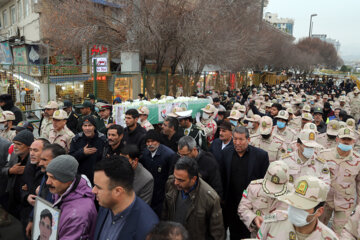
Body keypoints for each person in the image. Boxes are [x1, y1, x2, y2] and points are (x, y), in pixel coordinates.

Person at [93, 155, 159, 240]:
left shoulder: (147, 228)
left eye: (98, 187)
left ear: (118, 191)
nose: (93, 191)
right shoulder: (105, 204)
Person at [221, 126, 269, 239]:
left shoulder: (261, 156)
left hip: (251, 206)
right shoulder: (226, 153)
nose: (237, 143)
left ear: (248, 139)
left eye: (241, 139)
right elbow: (222, 176)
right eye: (235, 139)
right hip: (231, 204)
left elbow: (264, 182)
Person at [162, 157, 225, 240]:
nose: (176, 182)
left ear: (193, 179)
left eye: (181, 180)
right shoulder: (170, 184)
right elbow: (165, 214)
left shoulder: (210, 198)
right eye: (175, 177)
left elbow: (217, 234)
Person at [257, 175, 338, 240]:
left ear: (319, 211)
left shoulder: (329, 237)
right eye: (293, 203)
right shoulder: (272, 218)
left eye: (303, 207)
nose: (295, 209)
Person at [318, 127, 360, 234]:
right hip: (325, 200)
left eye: (349, 139)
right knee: (319, 230)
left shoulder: (357, 160)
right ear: (337, 139)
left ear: (353, 141)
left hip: (345, 203)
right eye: (343, 139)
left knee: (340, 233)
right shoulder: (324, 155)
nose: (346, 142)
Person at [46, 155, 97, 239]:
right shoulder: (61, 190)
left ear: (68, 180)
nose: (47, 182)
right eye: (48, 176)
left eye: (53, 178)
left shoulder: (78, 214)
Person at [238, 161, 291, 238]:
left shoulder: (293, 194)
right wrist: (253, 218)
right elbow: (242, 208)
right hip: (257, 236)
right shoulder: (254, 187)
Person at [25, 144, 66, 239]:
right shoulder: (45, 175)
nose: (40, 163)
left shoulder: (64, 184)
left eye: (44, 160)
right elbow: (40, 198)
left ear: (57, 161)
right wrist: (32, 219)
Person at [140, 130, 176, 215]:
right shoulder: (145, 153)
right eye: (148, 142)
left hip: (162, 192)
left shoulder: (169, 155)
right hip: (150, 190)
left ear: (158, 141)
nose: (150, 144)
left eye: (153, 141)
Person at [0, 130, 34, 220]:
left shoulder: (34, 161)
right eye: (14, 143)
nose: (15, 146)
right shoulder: (13, 156)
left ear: (29, 146)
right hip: (12, 197)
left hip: (27, 202)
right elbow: (3, 169)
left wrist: (30, 186)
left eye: (19, 144)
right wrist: (11, 170)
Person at [69, 115, 107, 183]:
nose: (87, 128)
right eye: (85, 126)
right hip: (81, 177)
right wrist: (82, 152)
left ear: (94, 127)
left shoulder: (102, 139)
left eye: (90, 125)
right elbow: (71, 157)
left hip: (98, 176)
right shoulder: (76, 139)